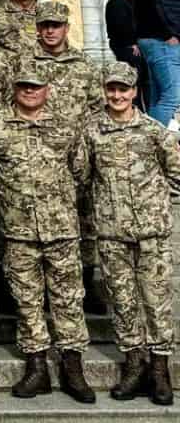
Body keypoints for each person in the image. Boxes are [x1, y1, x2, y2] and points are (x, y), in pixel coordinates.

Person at [0, 62, 94, 402]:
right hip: (17, 230)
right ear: (14, 88)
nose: (29, 91)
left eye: (36, 85)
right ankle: (37, 368)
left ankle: (73, 368)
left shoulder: (65, 127)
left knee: (69, 300)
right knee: (27, 301)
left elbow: (81, 173)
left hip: (61, 229)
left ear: (48, 89)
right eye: (23, 86)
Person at [76, 61, 180, 404]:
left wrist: (161, 204)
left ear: (134, 92)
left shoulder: (154, 131)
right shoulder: (92, 132)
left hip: (153, 234)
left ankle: (160, 369)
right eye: (112, 89)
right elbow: (83, 178)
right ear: (105, 91)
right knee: (122, 301)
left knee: (157, 301)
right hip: (111, 233)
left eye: (123, 89)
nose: (117, 95)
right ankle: (133, 364)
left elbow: (176, 172)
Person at [134, 0, 180, 126]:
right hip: (161, 42)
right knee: (172, 96)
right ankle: (155, 145)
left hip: (155, 41)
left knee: (159, 97)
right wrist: (168, 34)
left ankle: (150, 142)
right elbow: (150, 6)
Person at [107, 0, 138, 68]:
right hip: (125, 46)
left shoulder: (125, 1)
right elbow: (121, 26)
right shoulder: (117, 2)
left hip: (127, 45)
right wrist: (131, 43)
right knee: (135, 72)